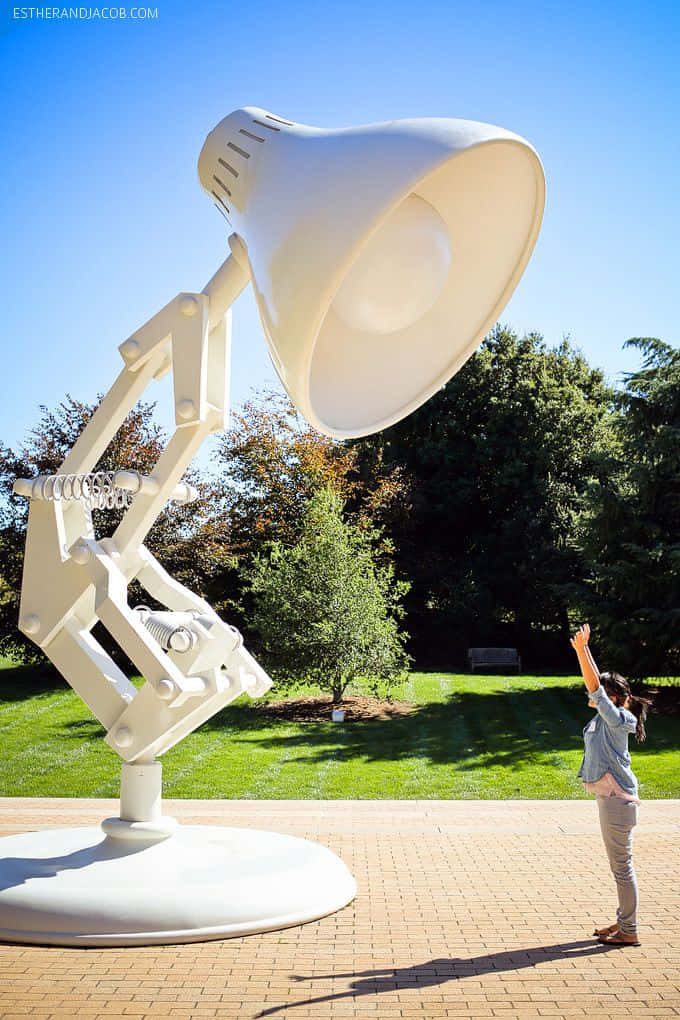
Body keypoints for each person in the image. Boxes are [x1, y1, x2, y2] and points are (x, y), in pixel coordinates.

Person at [570, 623, 652, 947]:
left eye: (602, 694)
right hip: (611, 800)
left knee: (622, 867)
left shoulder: (619, 719)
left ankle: (629, 929)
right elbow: (595, 687)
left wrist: (581, 649)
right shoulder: (605, 719)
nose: (592, 696)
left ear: (615, 697)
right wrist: (584, 651)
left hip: (617, 801)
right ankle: (623, 922)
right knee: (619, 867)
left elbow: (595, 688)